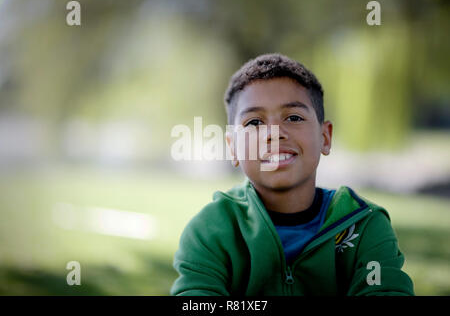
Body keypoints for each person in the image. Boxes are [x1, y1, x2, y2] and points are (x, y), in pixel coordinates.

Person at [170, 53, 414, 295]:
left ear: (325, 137)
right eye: (254, 122)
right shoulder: (211, 230)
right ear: (232, 147)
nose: (274, 133)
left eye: (294, 117)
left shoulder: (365, 226)